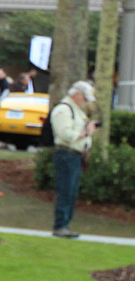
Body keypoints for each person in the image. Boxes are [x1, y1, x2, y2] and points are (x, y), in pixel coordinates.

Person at [50, 80, 98, 238]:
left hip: (76, 155)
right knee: (66, 189)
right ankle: (60, 225)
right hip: (66, 154)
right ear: (77, 95)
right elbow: (64, 134)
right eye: (84, 98)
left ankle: (65, 224)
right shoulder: (64, 110)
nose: (85, 102)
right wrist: (86, 133)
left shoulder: (77, 111)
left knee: (72, 191)